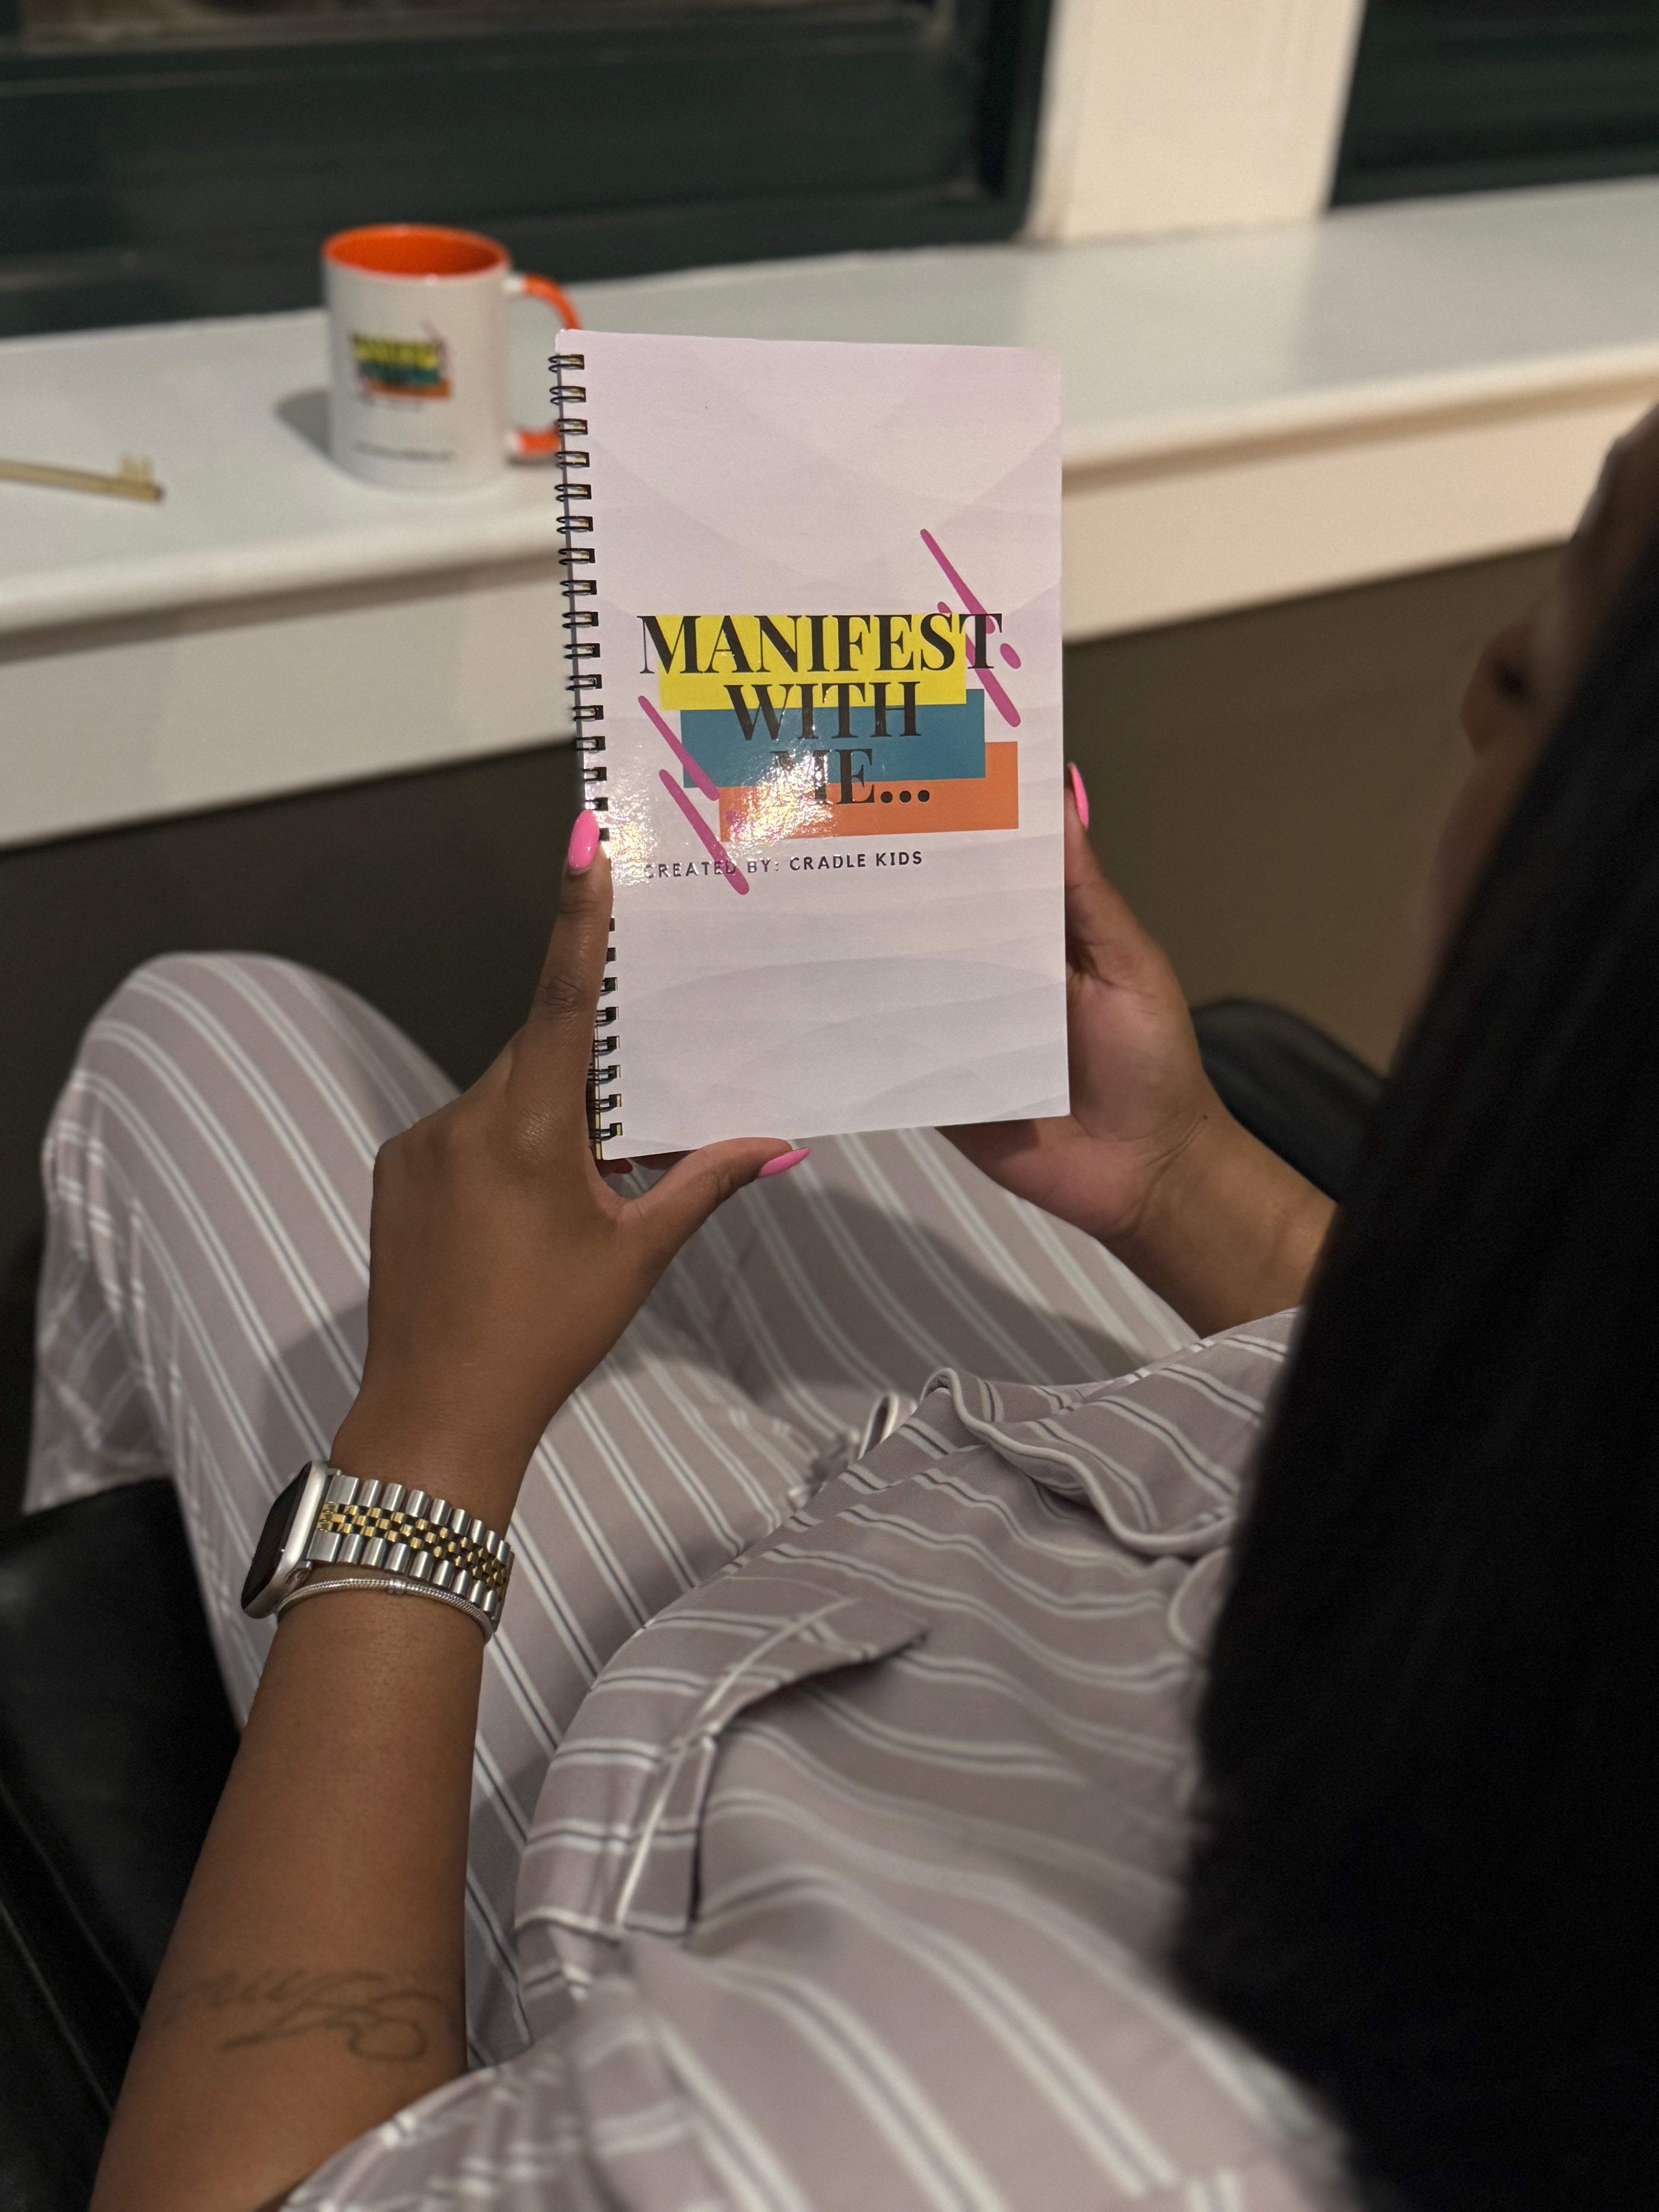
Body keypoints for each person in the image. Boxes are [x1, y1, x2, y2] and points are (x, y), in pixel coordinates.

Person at [34, 403, 1659, 2212]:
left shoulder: (1024, 2125)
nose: (1483, 675)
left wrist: (429, 1432)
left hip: (697, 1862)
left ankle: (196, 1740)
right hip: (1057, 1546)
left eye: (1550, 655)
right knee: (808, 1118)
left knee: (201, 1036)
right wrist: (1184, 1180)